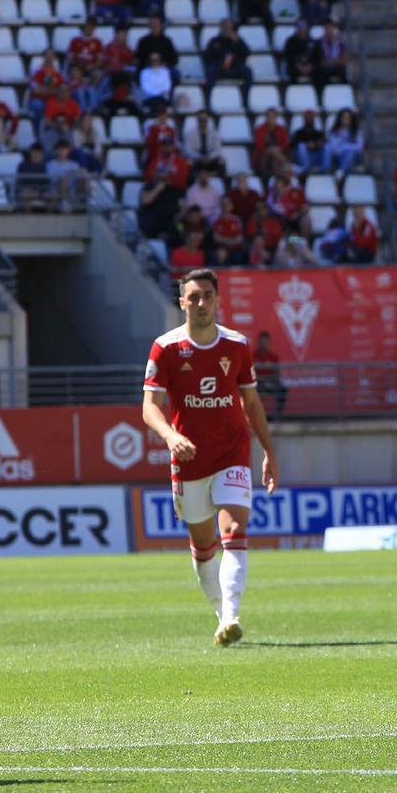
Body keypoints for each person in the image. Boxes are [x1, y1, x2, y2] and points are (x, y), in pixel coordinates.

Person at [141, 267, 279, 647]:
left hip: (232, 452)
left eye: (208, 296)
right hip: (188, 459)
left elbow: (251, 402)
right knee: (204, 548)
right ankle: (221, 616)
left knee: (234, 531)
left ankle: (233, 614)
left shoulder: (236, 345)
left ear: (218, 300)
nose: (202, 303)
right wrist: (170, 436)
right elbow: (149, 407)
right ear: (182, 302)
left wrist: (268, 450)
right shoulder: (165, 348)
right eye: (194, 297)